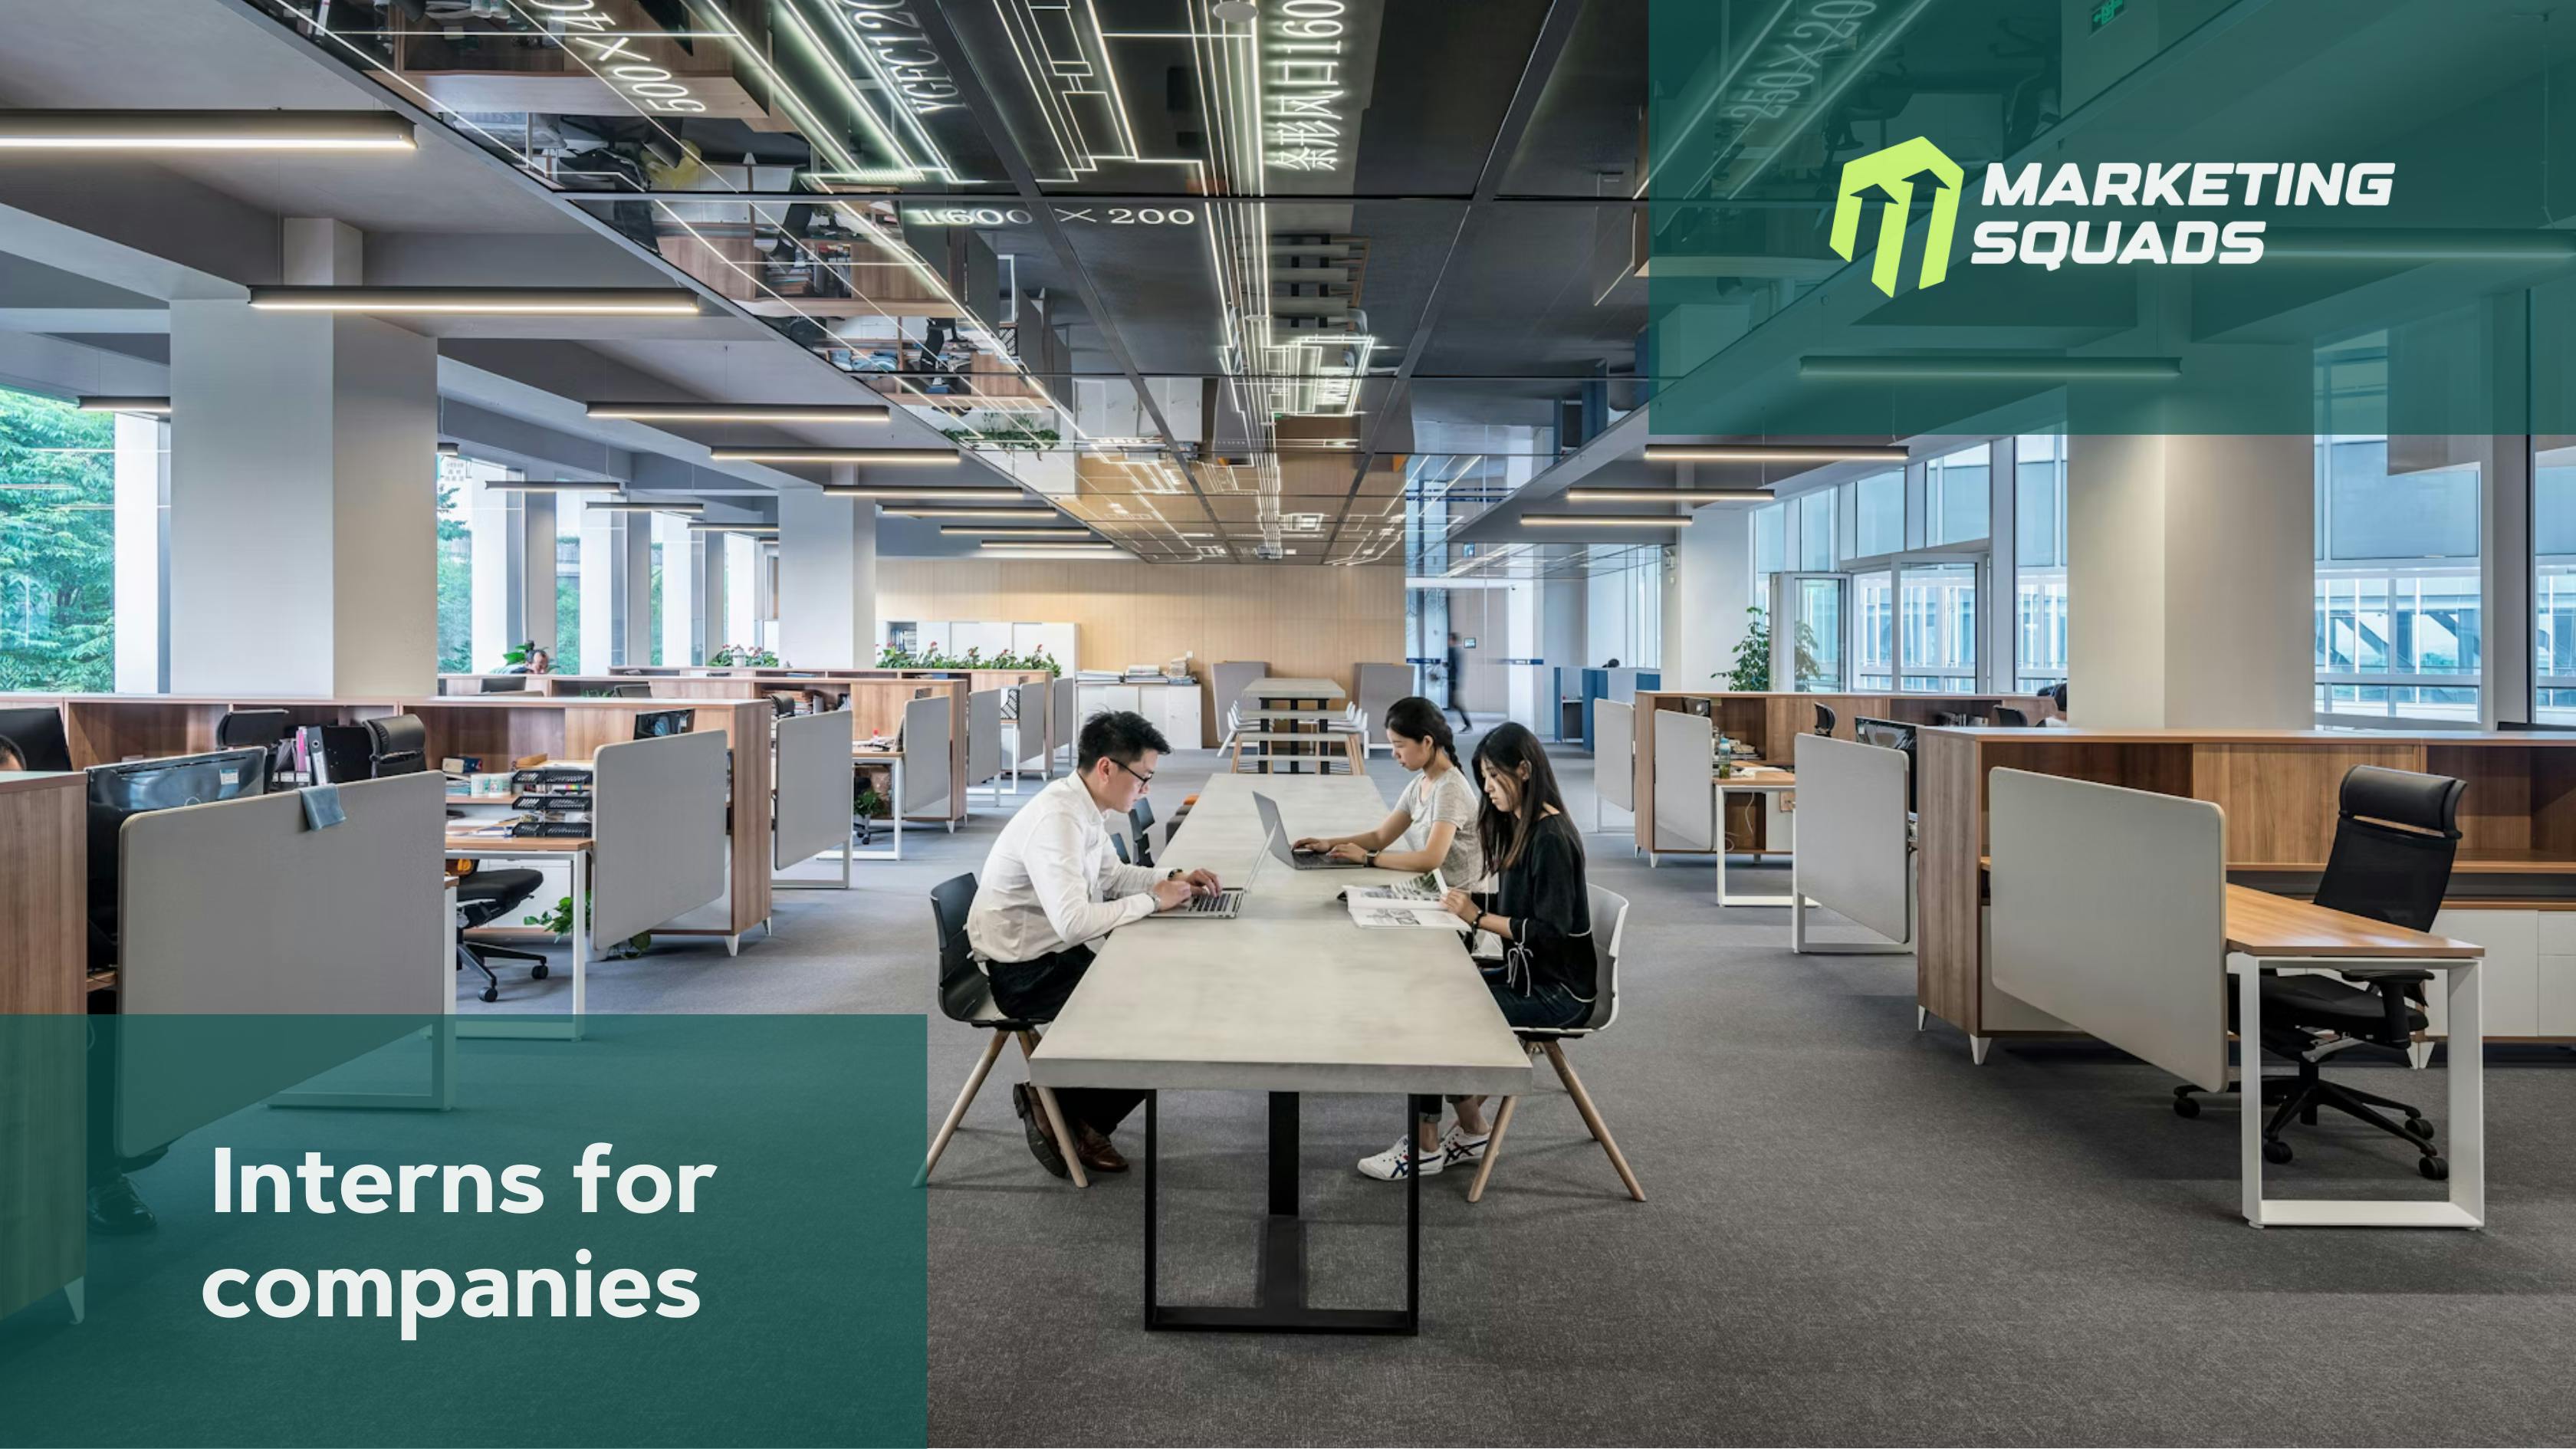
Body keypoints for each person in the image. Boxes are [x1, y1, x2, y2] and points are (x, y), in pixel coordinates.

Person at [966, 710, 1221, 1178]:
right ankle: (1068, 1112)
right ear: (1107, 768)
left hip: (1053, 953)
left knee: (1172, 1000)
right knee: (1160, 1023)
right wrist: (1152, 900)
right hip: (1024, 971)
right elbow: (1073, 922)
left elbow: (1112, 875)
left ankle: (1064, 1105)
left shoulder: (1084, 808)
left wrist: (1172, 877)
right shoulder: (1056, 820)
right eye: (1142, 778)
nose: (1146, 789)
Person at [1357, 722, 1596, 1181]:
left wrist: (1476, 917)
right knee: (1431, 992)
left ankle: (1427, 1146)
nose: (1486, 788)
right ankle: (1471, 1128)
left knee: (1432, 1013)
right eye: (1483, 776)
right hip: (1529, 974)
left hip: (1558, 993)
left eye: (1493, 776)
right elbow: (1520, 909)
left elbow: (1551, 934)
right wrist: (1457, 905)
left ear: (1524, 771)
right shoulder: (1525, 828)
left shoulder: (1551, 839)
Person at [1291, 696, 1483, 883]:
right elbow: (1380, 837)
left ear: (1427, 742)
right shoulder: (1420, 783)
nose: (1394, 753)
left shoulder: (1450, 789)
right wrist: (1328, 844)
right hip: (1433, 889)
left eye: (1399, 745)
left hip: (1459, 901)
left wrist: (1369, 858)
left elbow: (1430, 859)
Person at [1444, 632, 1470, 732]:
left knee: (1456, 704)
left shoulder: (1453, 651)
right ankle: (1467, 724)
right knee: (1454, 704)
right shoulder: (1457, 651)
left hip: (1453, 681)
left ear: (1453, 640)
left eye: (1449, 639)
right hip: (1453, 681)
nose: (1448, 641)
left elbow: (1454, 667)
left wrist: (1447, 667)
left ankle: (1468, 724)